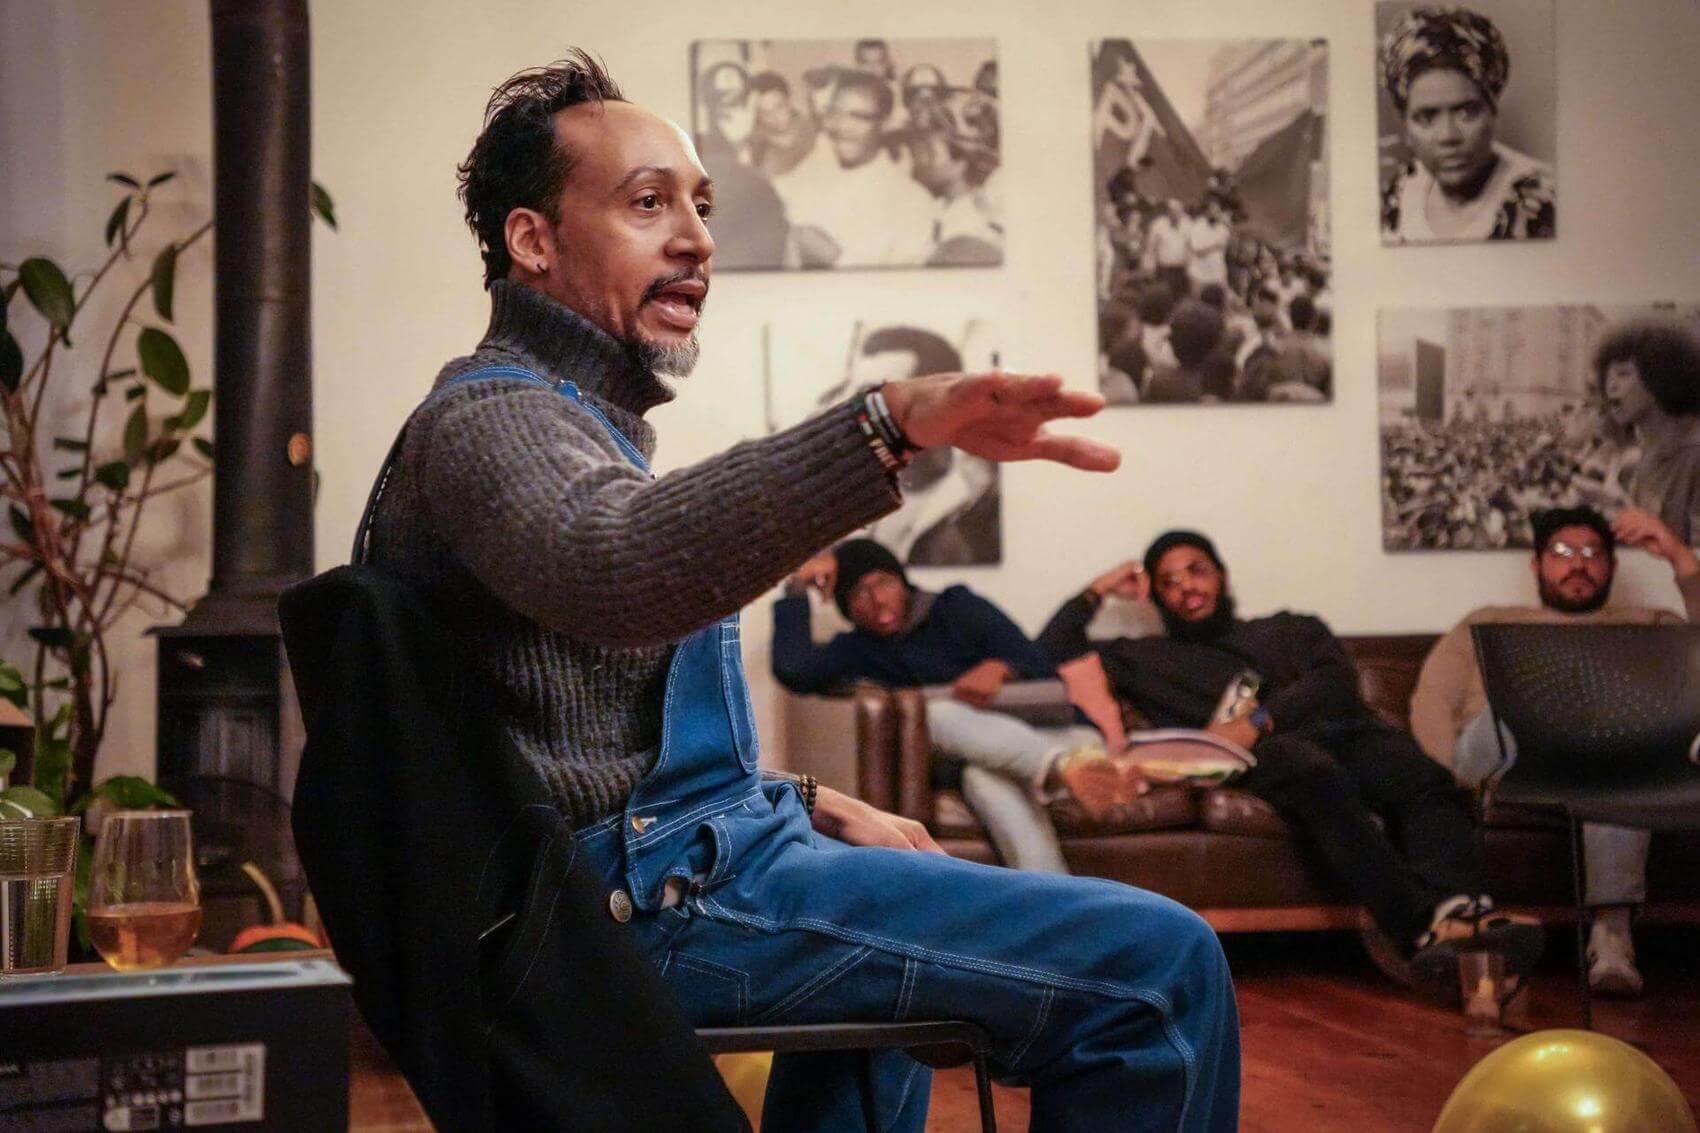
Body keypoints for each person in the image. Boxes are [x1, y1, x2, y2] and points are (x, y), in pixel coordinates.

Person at [373, 52, 1237, 1131]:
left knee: (898, 981)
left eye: (699, 205)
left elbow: (592, 748)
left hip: (668, 871)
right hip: (636, 908)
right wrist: (882, 424)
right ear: (531, 240)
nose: (695, 237)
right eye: (647, 204)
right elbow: (616, 564)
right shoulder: (491, 418)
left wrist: (810, 801)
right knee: (1161, 968)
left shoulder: (567, 428)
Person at [1039, 531, 1546, 983]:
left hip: (1346, 733)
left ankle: (1462, 910)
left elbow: (1335, 682)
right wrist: (1100, 588)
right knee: (1311, 771)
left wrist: (1254, 721)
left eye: (1196, 570)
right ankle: (1420, 929)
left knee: (1423, 777)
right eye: (1169, 582)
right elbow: (1046, 653)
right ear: (1157, 596)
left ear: (1221, 575)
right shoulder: (1145, 658)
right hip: (1272, 759)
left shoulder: (1290, 628)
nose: (1187, 587)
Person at [1410, 505, 1700, 995]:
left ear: (1612, 566)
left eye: (1593, 553)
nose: (1578, 564)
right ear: (1537, 563)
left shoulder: (1648, 622)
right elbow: (1431, 703)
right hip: (1500, 752)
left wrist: (1680, 557)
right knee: (1534, 710)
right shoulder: (1488, 622)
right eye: (1563, 552)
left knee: (1613, 761)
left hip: (1602, 755)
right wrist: (1447, 785)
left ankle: (1611, 939)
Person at [771, 539, 1140, 874]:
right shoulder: (859, 649)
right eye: (859, 593)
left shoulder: (956, 606)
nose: (877, 599)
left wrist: (1002, 667)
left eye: (883, 582)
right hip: (999, 766)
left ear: (902, 581)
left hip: (1066, 737)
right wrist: (798, 586)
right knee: (976, 772)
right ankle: (1059, 903)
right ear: (847, 608)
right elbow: (794, 669)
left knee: (942, 719)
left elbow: (1041, 665)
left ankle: (1067, 764)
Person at [1379, 6, 1555, 244]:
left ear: (1494, 111)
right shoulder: (1399, 195)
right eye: (1426, 118)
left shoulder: (1546, 201)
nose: (1448, 136)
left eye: (1466, 113)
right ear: (1405, 125)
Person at [772, 68, 936, 267]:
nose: (844, 127)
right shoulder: (810, 173)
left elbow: (905, 289)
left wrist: (836, 257)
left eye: (860, 117)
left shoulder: (912, 200)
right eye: (836, 114)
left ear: (884, 123)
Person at [1595, 320, 1700, 543]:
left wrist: (1621, 508)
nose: (1610, 385)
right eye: (1608, 375)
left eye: (1623, 374)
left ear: (1660, 378)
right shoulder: (1646, 454)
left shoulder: (1695, 457)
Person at [1144, 198, 1193, 299]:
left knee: (1180, 298)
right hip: (1164, 269)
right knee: (1163, 297)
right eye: (1171, 211)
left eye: (1177, 211)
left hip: (1181, 269)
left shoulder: (1188, 225)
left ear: (1181, 212)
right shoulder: (1158, 225)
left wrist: (1191, 267)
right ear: (1167, 212)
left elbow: (1191, 247)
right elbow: (1150, 248)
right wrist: (1149, 266)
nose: (1174, 214)